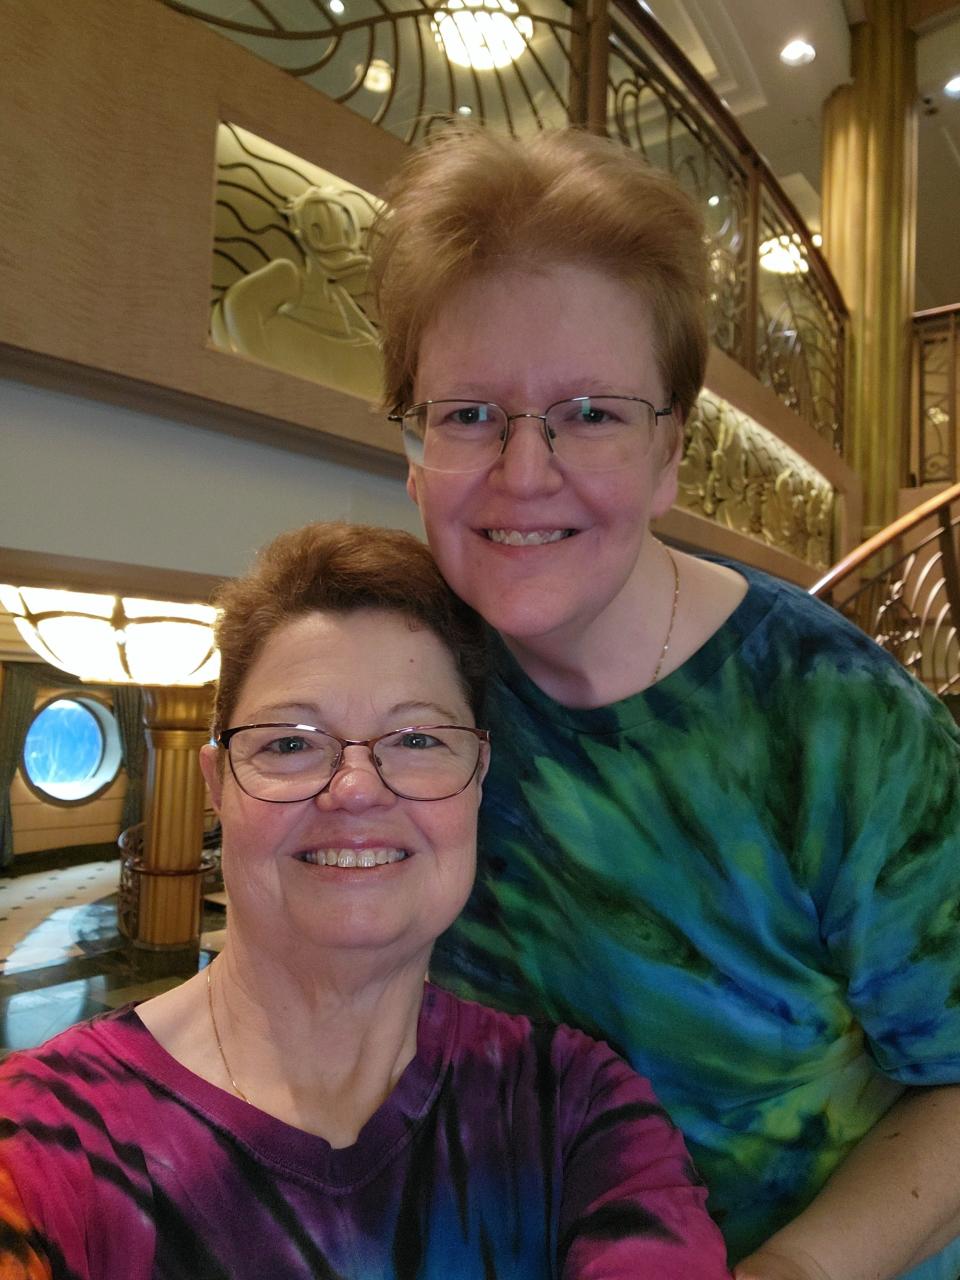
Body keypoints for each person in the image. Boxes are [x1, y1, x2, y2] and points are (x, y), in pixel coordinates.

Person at [371, 127, 960, 1280]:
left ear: (670, 453)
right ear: (414, 450)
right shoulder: (412, 689)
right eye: (469, 413)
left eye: (590, 411)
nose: (523, 471)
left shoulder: (834, 718)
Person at [0, 522, 730, 1279]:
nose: (354, 789)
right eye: (290, 743)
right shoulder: (45, 1141)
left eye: (416, 740)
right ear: (218, 788)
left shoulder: (571, 1108)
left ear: (479, 777)